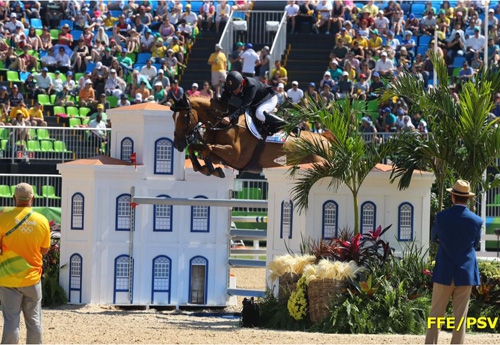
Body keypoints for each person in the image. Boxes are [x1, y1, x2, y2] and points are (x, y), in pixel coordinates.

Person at [425, 180, 482, 345]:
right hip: (465, 273)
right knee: (460, 318)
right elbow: (476, 244)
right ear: (468, 199)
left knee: (435, 315)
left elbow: (434, 237)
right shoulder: (476, 221)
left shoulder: (441, 217)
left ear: (452, 197)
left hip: (444, 270)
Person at [0, 183, 50, 344]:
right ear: (33, 199)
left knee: (11, 321)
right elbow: (44, 250)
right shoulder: (41, 221)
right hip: (32, 278)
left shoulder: (3, 217)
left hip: (8, 278)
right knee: (34, 321)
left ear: (14, 198)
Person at [220, 71, 285, 137]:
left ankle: (284, 125)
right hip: (255, 101)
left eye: (236, 89)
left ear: (241, 82)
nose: (234, 92)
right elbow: (223, 100)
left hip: (268, 99)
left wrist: (230, 117)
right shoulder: (230, 85)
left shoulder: (251, 86)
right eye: (232, 89)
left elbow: (244, 106)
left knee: (259, 113)